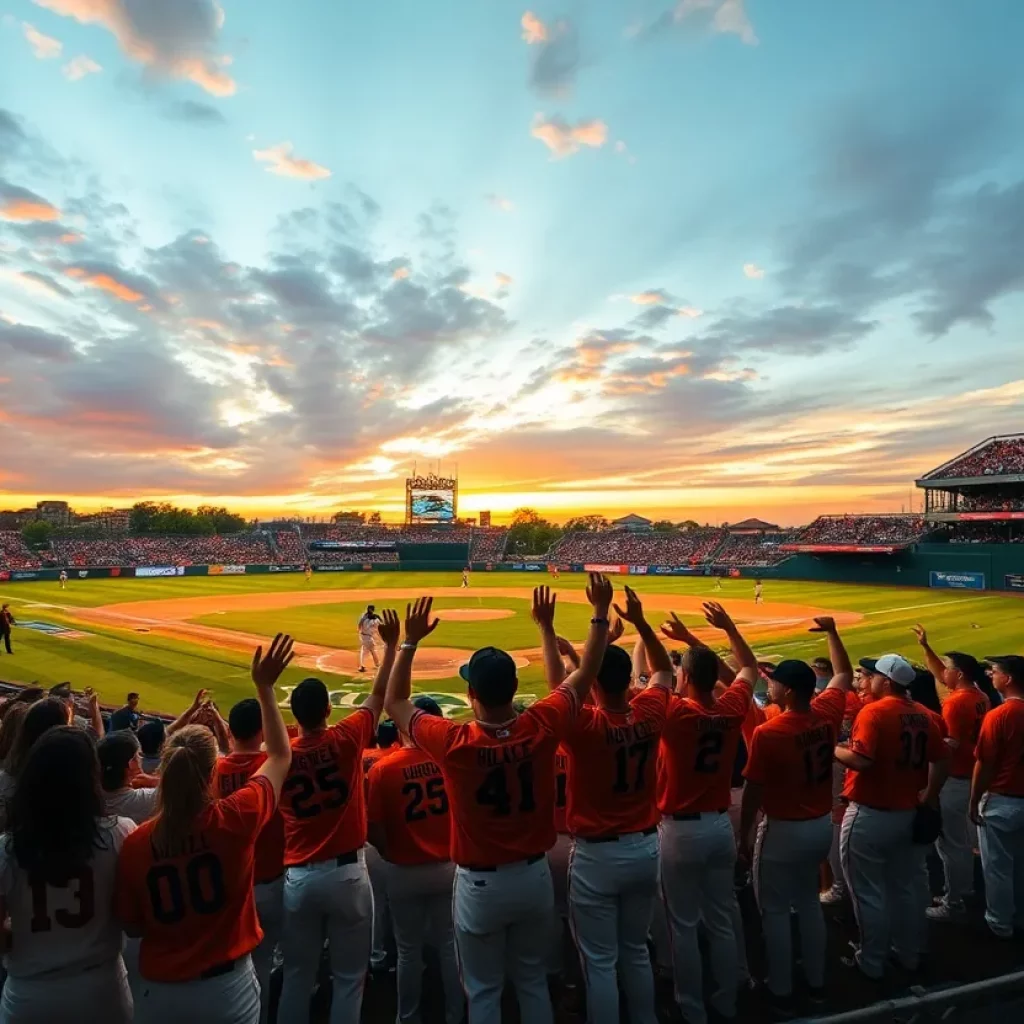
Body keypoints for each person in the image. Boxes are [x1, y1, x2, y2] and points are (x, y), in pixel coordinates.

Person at [384, 576, 615, 1024]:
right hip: (533, 878)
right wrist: (598, 614)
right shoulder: (542, 723)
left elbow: (395, 701)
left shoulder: (454, 742)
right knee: (532, 982)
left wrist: (408, 643)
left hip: (480, 886)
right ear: (514, 687)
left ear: (471, 695)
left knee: (485, 991)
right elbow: (585, 673)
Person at [114, 635, 295, 1024]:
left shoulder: (136, 841)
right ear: (214, 772)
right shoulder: (236, 817)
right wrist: (265, 687)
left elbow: (131, 923)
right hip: (226, 990)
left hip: (159, 993)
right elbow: (280, 755)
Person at [554, 586, 673, 1024]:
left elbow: (563, 690)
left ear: (593, 682)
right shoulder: (651, 711)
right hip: (645, 848)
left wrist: (564, 642)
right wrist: (641, 623)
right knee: (636, 950)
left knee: (599, 960)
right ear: (627, 680)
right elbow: (662, 671)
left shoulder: (584, 726)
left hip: (597, 855)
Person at [276, 615, 398, 1024]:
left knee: (296, 975)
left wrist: (263, 688)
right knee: (349, 978)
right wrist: (395, 647)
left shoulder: (280, 758)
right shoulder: (346, 738)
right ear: (329, 709)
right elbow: (378, 698)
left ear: (293, 716)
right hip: (347, 873)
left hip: (299, 879)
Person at [739, 619, 853, 1011]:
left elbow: (753, 791)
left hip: (783, 829)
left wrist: (744, 836)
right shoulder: (826, 714)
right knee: (806, 902)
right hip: (820, 825)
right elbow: (842, 674)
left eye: (773, 682)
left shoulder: (769, 732)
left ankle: (782, 988)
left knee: (773, 909)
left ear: (786, 691)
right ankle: (818, 981)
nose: (768, 686)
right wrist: (833, 634)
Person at [656, 603, 758, 1024]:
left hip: (679, 830)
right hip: (719, 826)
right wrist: (726, 628)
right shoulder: (732, 707)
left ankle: (691, 1007)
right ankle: (730, 997)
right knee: (721, 915)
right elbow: (747, 667)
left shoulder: (675, 712)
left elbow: (656, 682)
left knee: (682, 924)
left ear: (684, 678)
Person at [0, 727, 136, 1024]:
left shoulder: (6, 849)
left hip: (30, 996)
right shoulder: (121, 832)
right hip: (102, 989)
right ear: (91, 777)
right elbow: (133, 918)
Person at [836, 654, 948, 980]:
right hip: (909, 812)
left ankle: (871, 962)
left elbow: (862, 761)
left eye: (872, 676)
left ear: (886, 681)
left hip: (871, 813)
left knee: (868, 891)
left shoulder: (874, 711)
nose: (867, 681)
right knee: (907, 889)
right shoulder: (927, 716)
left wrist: (834, 748)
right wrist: (928, 797)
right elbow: (941, 761)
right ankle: (910, 955)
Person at [367, 695, 463, 1024]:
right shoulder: (451, 759)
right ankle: (456, 1014)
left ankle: (408, 1017)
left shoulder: (383, 768)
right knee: (450, 943)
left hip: (403, 869)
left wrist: (390, 852)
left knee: (408, 951)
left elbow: (373, 828)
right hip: (448, 865)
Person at [213, 698, 286, 1024]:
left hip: (231, 884)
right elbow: (281, 752)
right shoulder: (273, 766)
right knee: (270, 960)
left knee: (238, 963)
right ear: (262, 730)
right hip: (274, 877)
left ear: (231, 730)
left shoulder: (214, 770)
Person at [912, 627, 990, 921]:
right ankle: (962, 887)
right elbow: (939, 673)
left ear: (958, 674)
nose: (944, 672)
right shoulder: (979, 694)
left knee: (951, 843)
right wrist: (926, 647)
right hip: (970, 773)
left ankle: (954, 900)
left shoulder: (956, 703)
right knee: (960, 840)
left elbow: (950, 745)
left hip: (954, 779)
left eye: (949, 669)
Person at [970, 654, 1024, 939]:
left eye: (996, 671)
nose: (991, 673)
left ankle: (999, 923)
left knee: (997, 867)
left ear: (1010, 678)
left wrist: (973, 799)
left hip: (1002, 799)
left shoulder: (1000, 715)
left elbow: (985, 763)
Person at [98, 731, 159, 825]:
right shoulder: (148, 799)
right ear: (131, 764)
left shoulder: (88, 794)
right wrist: (155, 781)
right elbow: (182, 786)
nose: (141, 758)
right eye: (138, 755)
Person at [357, 605, 381, 673]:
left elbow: (359, 625)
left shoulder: (363, 617)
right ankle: (377, 664)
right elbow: (379, 627)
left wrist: (359, 630)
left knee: (366, 650)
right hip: (368, 637)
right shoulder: (375, 620)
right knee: (372, 650)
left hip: (363, 636)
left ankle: (363, 666)